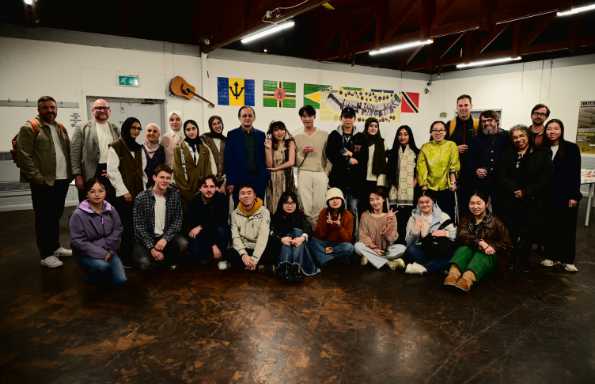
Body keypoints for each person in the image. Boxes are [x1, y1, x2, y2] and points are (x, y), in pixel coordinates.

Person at [16, 96, 73, 268]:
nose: (50, 110)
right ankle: (45, 254)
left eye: (53, 107)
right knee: (43, 218)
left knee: (55, 215)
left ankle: (55, 247)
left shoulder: (60, 127)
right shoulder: (30, 127)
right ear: (39, 109)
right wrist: (37, 177)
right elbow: (23, 155)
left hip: (62, 180)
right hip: (44, 182)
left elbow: (67, 151)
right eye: (46, 108)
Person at [498, 125, 552, 272]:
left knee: (527, 232)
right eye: (515, 137)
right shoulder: (507, 154)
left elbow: (544, 179)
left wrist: (525, 191)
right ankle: (511, 259)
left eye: (521, 136)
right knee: (511, 231)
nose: (518, 139)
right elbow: (501, 175)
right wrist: (514, 189)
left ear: (528, 136)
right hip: (510, 199)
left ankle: (523, 261)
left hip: (531, 200)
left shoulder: (542, 153)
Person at [444, 192, 511, 292]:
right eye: (472, 203)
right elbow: (462, 235)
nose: (475, 206)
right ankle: (453, 275)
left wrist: (493, 247)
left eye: (479, 203)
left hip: (488, 257)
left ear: (486, 204)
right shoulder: (465, 219)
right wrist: (480, 242)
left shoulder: (496, 222)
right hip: (470, 253)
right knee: (464, 248)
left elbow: (507, 244)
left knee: (482, 254)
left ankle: (466, 280)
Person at [69, 177, 126, 285]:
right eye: (92, 191)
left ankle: (103, 276)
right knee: (102, 267)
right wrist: (102, 253)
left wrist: (109, 250)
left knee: (120, 280)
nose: (97, 194)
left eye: (101, 191)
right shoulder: (78, 214)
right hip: (86, 253)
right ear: (86, 194)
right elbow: (78, 241)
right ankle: (88, 274)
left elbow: (118, 229)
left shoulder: (111, 209)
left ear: (105, 193)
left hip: (109, 250)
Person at [542, 119, 582, 272]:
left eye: (555, 129)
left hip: (566, 194)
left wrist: (574, 196)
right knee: (550, 226)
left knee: (567, 227)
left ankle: (568, 259)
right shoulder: (543, 148)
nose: (552, 132)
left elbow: (575, 174)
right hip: (547, 194)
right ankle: (550, 256)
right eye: (549, 129)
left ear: (561, 130)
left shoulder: (571, 148)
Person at [107, 117, 147, 263]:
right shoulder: (115, 146)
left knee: (137, 225)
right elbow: (112, 172)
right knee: (125, 226)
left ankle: (136, 254)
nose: (136, 131)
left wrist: (143, 191)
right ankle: (124, 257)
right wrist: (124, 191)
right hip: (124, 194)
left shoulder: (139, 148)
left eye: (138, 128)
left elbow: (142, 172)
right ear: (126, 128)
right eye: (133, 127)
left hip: (138, 192)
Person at [132, 165, 185, 270]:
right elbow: (139, 227)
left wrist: (165, 239)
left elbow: (177, 221)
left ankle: (166, 262)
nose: (165, 181)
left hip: (164, 237)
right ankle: (155, 261)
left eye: (168, 178)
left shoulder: (174, 195)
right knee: (144, 264)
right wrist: (152, 248)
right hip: (146, 239)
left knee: (183, 243)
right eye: (161, 177)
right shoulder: (141, 198)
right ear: (154, 177)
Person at [326, 106, 367, 229]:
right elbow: (331, 154)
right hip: (338, 181)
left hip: (355, 182)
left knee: (353, 210)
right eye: (345, 117)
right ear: (341, 118)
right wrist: (348, 159)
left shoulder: (361, 137)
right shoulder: (334, 135)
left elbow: (363, 158)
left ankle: (352, 237)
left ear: (354, 119)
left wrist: (348, 154)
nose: (348, 120)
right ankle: (338, 236)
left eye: (350, 117)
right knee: (337, 209)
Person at [71, 98, 119, 201]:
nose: (102, 110)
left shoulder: (115, 128)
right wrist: (77, 175)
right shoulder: (82, 128)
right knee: (89, 202)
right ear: (93, 111)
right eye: (99, 108)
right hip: (90, 172)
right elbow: (74, 154)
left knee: (110, 200)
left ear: (109, 111)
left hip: (110, 170)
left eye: (105, 108)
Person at [399, 194, 456, 275]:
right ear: (418, 204)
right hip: (423, 252)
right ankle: (436, 267)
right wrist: (415, 233)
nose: (424, 204)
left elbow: (455, 236)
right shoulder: (413, 218)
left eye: (427, 202)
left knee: (452, 256)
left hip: (439, 251)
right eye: (421, 202)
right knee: (411, 250)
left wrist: (446, 233)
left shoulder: (443, 216)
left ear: (433, 202)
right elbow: (408, 243)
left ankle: (423, 268)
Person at [270, 191, 319, 282]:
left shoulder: (300, 216)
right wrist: (281, 239)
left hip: (299, 248)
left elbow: (308, 229)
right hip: (283, 249)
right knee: (286, 243)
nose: (290, 206)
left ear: (296, 204)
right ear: (282, 204)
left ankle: (296, 269)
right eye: (286, 203)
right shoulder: (276, 217)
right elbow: (271, 232)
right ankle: (286, 268)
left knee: (298, 233)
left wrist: (301, 238)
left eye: (292, 203)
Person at [294, 105, 329, 227]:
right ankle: (307, 232)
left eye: (309, 115)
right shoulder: (296, 136)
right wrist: (302, 153)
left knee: (320, 204)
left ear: (314, 116)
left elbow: (328, 157)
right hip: (304, 172)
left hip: (320, 172)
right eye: (304, 116)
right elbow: (295, 162)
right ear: (301, 118)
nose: (307, 119)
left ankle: (318, 232)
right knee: (305, 205)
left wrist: (326, 173)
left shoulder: (325, 135)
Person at [417, 121, 460, 220]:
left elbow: (453, 165)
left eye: (441, 130)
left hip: (447, 187)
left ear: (445, 132)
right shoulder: (425, 147)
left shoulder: (451, 145)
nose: (438, 132)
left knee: (447, 216)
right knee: (429, 217)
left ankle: (448, 234)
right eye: (435, 130)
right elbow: (421, 167)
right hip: (429, 188)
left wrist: (453, 182)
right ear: (431, 132)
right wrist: (423, 184)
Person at [468, 110, 510, 213]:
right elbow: (470, 159)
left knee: (501, 211)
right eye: (483, 121)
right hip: (482, 183)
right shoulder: (476, 139)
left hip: (502, 183)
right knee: (481, 211)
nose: (486, 123)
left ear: (497, 121)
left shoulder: (507, 136)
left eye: (490, 120)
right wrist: (476, 170)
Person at [354, 188, 405, 270]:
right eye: (372, 200)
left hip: (386, 249)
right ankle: (389, 263)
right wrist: (374, 248)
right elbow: (363, 235)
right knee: (357, 246)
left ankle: (370, 258)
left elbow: (391, 238)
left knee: (402, 248)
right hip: (370, 248)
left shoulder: (391, 215)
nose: (375, 202)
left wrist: (389, 223)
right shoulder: (365, 215)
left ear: (383, 199)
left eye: (378, 199)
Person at [226, 184, 274, 271]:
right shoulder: (234, 214)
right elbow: (235, 236)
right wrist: (243, 255)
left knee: (274, 244)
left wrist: (255, 259)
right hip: (245, 248)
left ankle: (249, 266)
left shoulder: (264, 211)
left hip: (259, 248)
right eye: (243, 193)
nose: (246, 196)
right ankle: (258, 267)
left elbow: (263, 236)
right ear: (239, 197)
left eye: (249, 193)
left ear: (255, 195)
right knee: (229, 253)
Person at [224, 106, 267, 201]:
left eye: (250, 115)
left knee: (258, 209)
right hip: (239, 180)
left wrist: (264, 179)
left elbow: (264, 158)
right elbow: (228, 159)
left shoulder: (261, 135)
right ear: (239, 118)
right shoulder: (232, 135)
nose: (247, 118)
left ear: (254, 118)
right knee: (240, 209)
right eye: (244, 116)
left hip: (258, 180)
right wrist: (230, 181)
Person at [186, 175, 229, 268]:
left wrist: (201, 226)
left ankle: (220, 256)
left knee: (221, 229)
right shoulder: (194, 201)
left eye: (212, 186)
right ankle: (207, 257)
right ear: (200, 188)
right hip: (202, 235)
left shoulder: (222, 199)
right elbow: (193, 225)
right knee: (195, 251)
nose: (209, 190)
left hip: (217, 231)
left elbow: (219, 220)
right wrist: (212, 245)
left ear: (216, 188)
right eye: (205, 187)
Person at [386, 125, 419, 242]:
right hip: (395, 193)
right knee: (396, 222)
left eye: (405, 134)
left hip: (411, 193)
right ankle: (396, 248)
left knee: (408, 222)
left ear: (410, 136)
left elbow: (419, 173)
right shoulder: (391, 152)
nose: (402, 137)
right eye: (400, 134)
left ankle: (408, 249)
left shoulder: (416, 152)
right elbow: (388, 173)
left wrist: (412, 186)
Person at [445, 94, 479, 208]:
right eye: (460, 105)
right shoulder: (449, 125)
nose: (463, 108)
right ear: (457, 107)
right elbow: (440, 147)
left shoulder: (478, 125)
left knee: (473, 205)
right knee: (454, 205)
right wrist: (455, 149)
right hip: (454, 174)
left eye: (466, 105)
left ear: (471, 106)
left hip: (473, 175)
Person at [309, 188, 355, 266]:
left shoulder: (348, 215)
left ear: (342, 200)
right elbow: (319, 235)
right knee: (312, 241)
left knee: (349, 247)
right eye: (331, 199)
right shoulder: (324, 212)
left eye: (337, 198)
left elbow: (348, 239)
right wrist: (327, 225)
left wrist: (339, 227)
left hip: (338, 245)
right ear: (328, 202)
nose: (335, 201)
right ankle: (332, 259)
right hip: (325, 243)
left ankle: (324, 258)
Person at [173, 119, 212, 205]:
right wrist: (186, 191)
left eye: (193, 128)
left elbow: (208, 170)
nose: (191, 132)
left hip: (202, 191)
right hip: (186, 192)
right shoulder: (178, 149)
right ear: (184, 131)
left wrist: (205, 188)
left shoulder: (204, 149)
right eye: (188, 129)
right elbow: (177, 172)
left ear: (197, 129)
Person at [265, 121, 296, 214]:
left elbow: (291, 162)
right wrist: (268, 148)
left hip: (286, 178)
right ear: (272, 132)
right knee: (273, 204)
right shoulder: (269, 144)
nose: (280, 132)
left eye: (282, 129)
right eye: (276, 130)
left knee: (286, 201)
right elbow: (269, 165)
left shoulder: (290, 143)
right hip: (272, 179)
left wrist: (276, 169)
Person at [360, 117, 387, 212]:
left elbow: (384, 165)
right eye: (371, 126)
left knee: (376, 209)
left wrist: (381, 184)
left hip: (375, 181)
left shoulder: (382, 143)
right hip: (362, 180)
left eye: (376, 126)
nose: (373, 128)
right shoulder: (360, 141)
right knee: (363, 207)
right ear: (366, 127)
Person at [201, 115, 227, 191]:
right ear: (210, 126)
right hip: (208, 181)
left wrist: (225, 181)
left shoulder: (226, 140)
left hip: (223, 181)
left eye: (219, 123)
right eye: (214, 124)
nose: (217, 126)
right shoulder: (204, 138)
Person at [143, 123, 166, 188]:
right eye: (149, 130)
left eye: (155, 131)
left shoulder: (162, 149)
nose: (152, 133)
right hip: (142, 186)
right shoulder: (139, 149)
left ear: (159, 135)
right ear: (145, 133)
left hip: (158, 186)